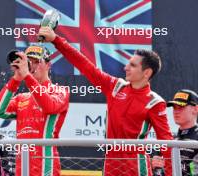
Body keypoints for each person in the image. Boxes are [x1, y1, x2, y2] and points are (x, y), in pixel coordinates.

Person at [38, 27, 173, 176]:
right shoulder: (115, 87)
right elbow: (85, 65)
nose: (125, 67)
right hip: (110, 163)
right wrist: (56, 40)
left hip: (136, 166)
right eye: (128, 63)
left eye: (133, 65)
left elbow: (167, 143)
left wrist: (173, 172)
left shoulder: (155, 102)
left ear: (147, 73)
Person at [0, 45, 70, 176]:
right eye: (29, 62)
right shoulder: (22, 98)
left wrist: (27, 76)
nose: (32, 66)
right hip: (22, 168)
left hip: (46, 169)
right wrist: (16, 79)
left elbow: (48, 107)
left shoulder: (60, 91)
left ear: (48, 65)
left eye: (37, 61)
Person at [152, 89, 198, 176]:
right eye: (174, 107)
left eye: (181, 107)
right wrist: (154, 167)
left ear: (195, 109)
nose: (176, 111)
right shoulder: (168, 138)